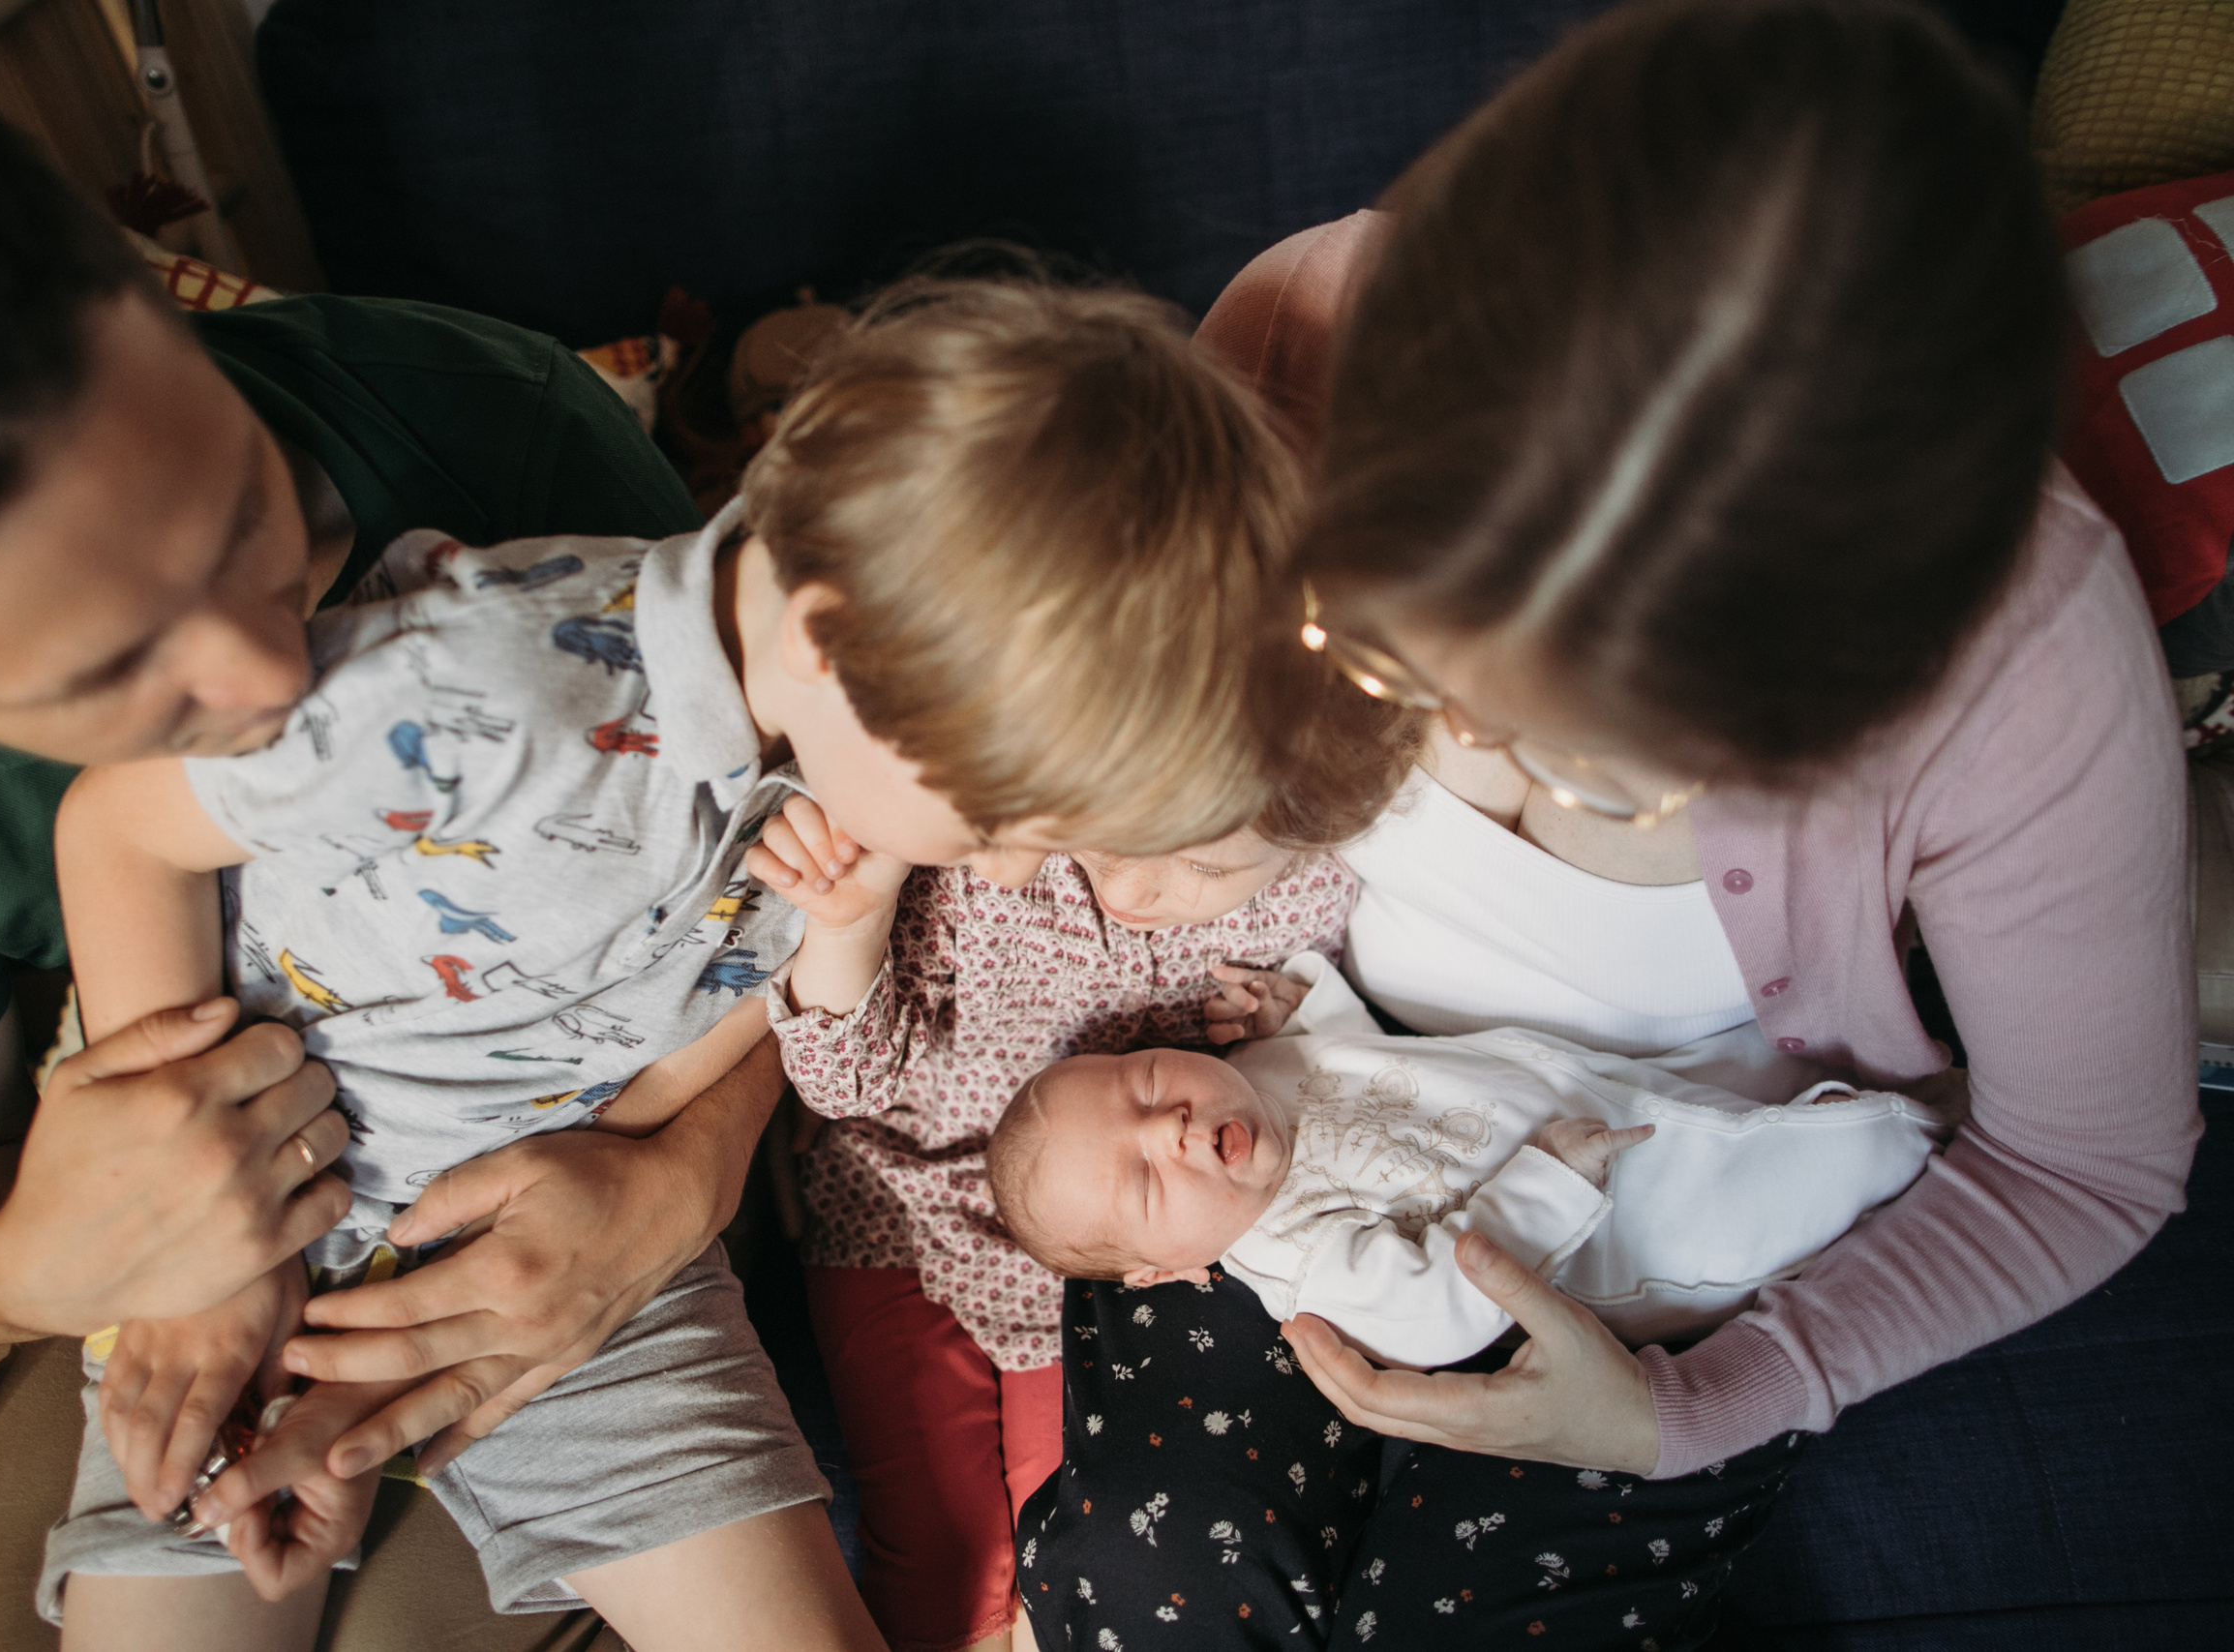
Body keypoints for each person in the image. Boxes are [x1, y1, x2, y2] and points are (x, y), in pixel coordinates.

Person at [1023, 2, 2198, 1646]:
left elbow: (2090, 1164)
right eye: (1387, 651)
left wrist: (1692, 1408)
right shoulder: (1304, 326)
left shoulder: (2019, 654)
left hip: (1657, 1244)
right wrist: (1208, 787)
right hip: (1289, 1109)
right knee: (1142, 1583)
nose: (1459, 741)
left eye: (1590, 768)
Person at [37, 271, 1308, 1649]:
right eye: (1008, 822)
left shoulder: (855, 772)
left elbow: (734, 1009)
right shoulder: (488, 692)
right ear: (839, 648)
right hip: (253, 1204)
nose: (1004, 872)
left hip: (584, 1236)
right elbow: (119, 826)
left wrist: (626, 1186)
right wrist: (196, 1261)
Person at [0, 60, 744, 1652]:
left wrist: (681, 1182)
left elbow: (805, 846)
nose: (271, 675)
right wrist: (38, 1255)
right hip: (168, 1294)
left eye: (240, 508)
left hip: (604, 1141)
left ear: (139, 290)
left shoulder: (489, 423)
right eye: (112, 668)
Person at [753, 666, 1414, 1652]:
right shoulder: (995, 869)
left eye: (1202, 869)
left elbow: (1315, 1089)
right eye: (1115, 839)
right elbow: (843, 1082)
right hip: (894, 1211)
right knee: (930, 1557)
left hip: (1091, 1269)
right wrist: (848, 923)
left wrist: (1297, 1020)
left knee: (1053, 1554)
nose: (1143, 891)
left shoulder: (1305, 893)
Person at [988, 952, 1936, 1368]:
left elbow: (1363, 1060)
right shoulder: (1300, 1262)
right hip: (1621, 1228)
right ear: (1170, 1272)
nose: (1172, 1126)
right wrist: (1546, 1190)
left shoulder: (1252, 1075)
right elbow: (1436, 1312)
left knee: (1763, 1062)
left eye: (1148, 1081)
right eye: (1146, 1179)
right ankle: (1938, 1137)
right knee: (1808, 1177)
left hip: (1597, 1087)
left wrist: (1301, 1009)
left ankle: (1873, 1063)